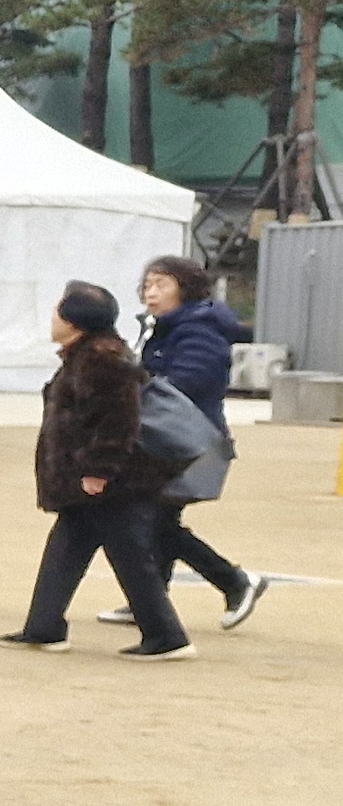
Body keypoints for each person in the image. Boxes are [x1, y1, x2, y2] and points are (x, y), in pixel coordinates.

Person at [7, 279, 193, 660]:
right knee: (67, 549)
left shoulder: (103, 360)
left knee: (130, 557)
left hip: (109, 482)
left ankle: (166, 636)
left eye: (58, 312)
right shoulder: (87, 355)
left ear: (75, 322)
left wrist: (99, 471)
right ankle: (44, 626)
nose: (52, 318)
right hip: (86, 481)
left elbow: (119, 420)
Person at [111, 256, 263, 631]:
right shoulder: (164, 328)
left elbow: (192, 381)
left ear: (186, 288)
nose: (151, 292)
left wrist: (138, 386)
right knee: (158, 517)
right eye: (147, 285)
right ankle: (150, 602)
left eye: (161, 284)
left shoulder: (199, 328)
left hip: (191, 441)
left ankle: (234, 581)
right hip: (170, 437)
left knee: (153, 519)